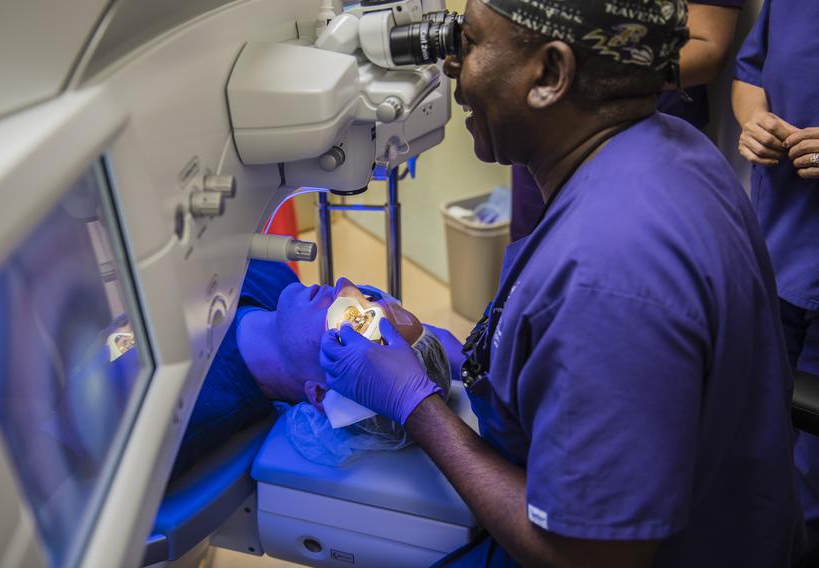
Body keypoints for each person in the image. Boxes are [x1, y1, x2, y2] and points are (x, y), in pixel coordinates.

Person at [319, 1, 803, 566]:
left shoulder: (607, 273)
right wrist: (459, 360)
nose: (452, 65)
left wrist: (418, 407)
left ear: (550, 74)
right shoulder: (665, 146)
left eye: (471, 42)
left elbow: (582, 556)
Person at [170, 260, 451, 475]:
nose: (345, 287)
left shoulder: (183, 413)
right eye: (372, 297)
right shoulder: (275, 275)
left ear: (319, 394)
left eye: (356, 322)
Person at [510, 0, 744, 240]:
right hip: (544, 122)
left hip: (637, 132)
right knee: (533, 249)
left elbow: (708, 48)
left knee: (618, 250)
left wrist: (591, 74)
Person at [732, 0, 819, 560]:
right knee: (756, 436)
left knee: (810, 480)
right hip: (781, 246)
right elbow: (751, 73)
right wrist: (752, 120)